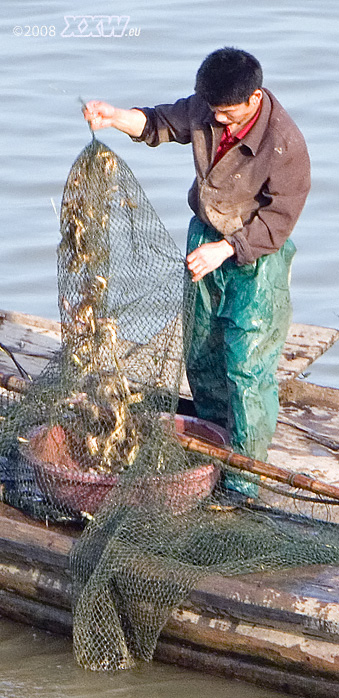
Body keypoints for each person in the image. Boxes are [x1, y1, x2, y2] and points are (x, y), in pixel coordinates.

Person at [84, 47, 311, 500]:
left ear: (254, 98)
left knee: (247, 365)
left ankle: (244, 478)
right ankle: (212, 448)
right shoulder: (207, 107)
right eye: (213, 111)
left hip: (255, 253)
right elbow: (159, 123)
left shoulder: (285, 144)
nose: (219, 120)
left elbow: (280, 219)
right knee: (202, 350)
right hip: (205, 234)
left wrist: (227, 249)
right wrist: (114, 117)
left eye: (227, 113)